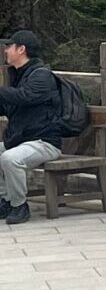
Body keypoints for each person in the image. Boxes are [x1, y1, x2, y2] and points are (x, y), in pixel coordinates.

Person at [0, 29, 63, 225]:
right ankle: (6, 201)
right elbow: (10, 106)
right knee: (7, 154)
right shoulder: (18, 75)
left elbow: (25, 97)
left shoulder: (42, 76)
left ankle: (20, 206)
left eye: (9, 46)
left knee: (10, 158)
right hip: (21, 141)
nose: (5, 50)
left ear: (21, 49)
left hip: (44, 142)